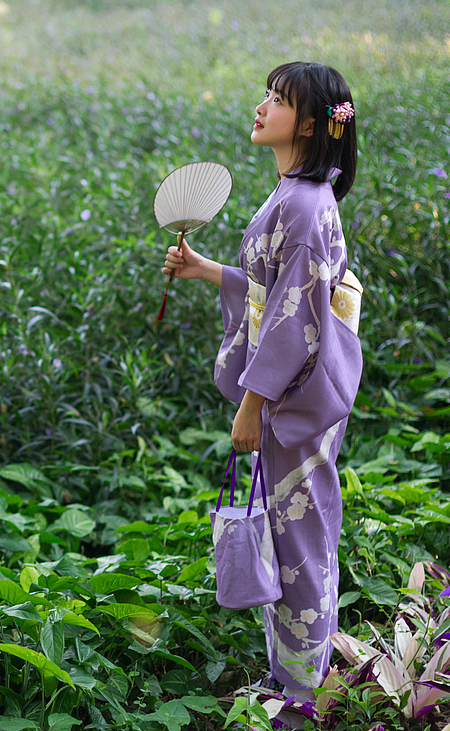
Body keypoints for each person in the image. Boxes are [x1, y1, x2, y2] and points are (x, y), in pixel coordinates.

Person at [162, 62, 364, 709]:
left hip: (292, 400)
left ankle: (303, 695)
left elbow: (291, 322)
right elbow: (278, 293)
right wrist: (208, 271)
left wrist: (252, 402)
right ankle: (290, 677)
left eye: (277, 99)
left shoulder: (303, 205)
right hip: (296, 395)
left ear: (308, 123)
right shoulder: (295, 194)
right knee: (290, 531)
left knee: (300, 540)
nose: (261, 106)